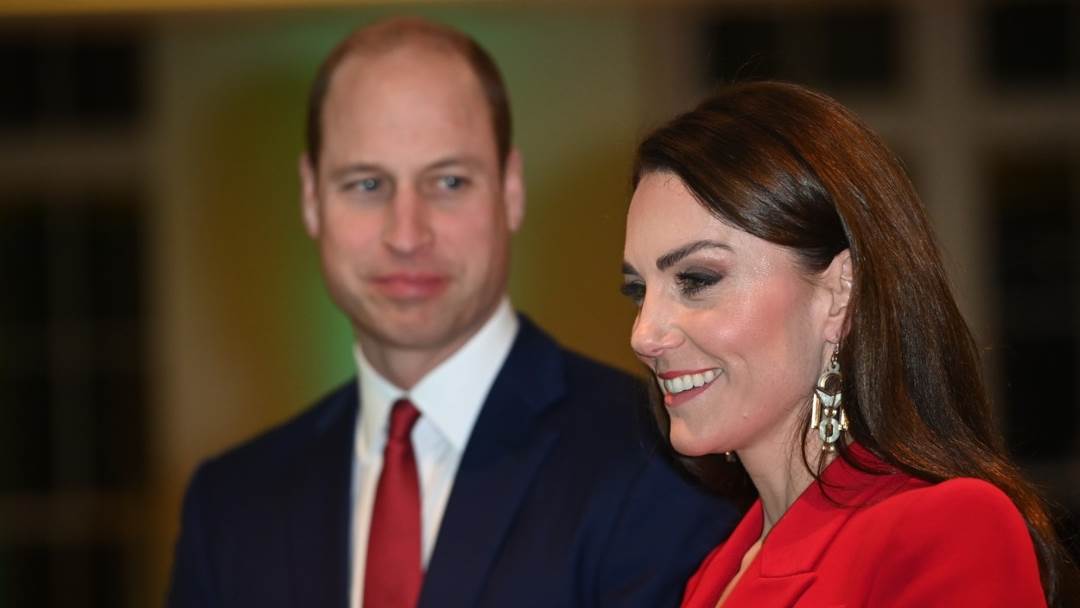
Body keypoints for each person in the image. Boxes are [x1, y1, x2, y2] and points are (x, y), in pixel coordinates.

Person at [167, 16, 737, 608]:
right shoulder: (228, 506)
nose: (406, 234)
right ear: (311, 198)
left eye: (448, 182)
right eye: (366, 185)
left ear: (510, 190)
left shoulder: (661, 462)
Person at [620, 81, 1072, 607]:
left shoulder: (944, 529)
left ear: (839, 292)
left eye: (697, 280)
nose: (644, 335)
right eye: (638, 291)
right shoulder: (716, 575)